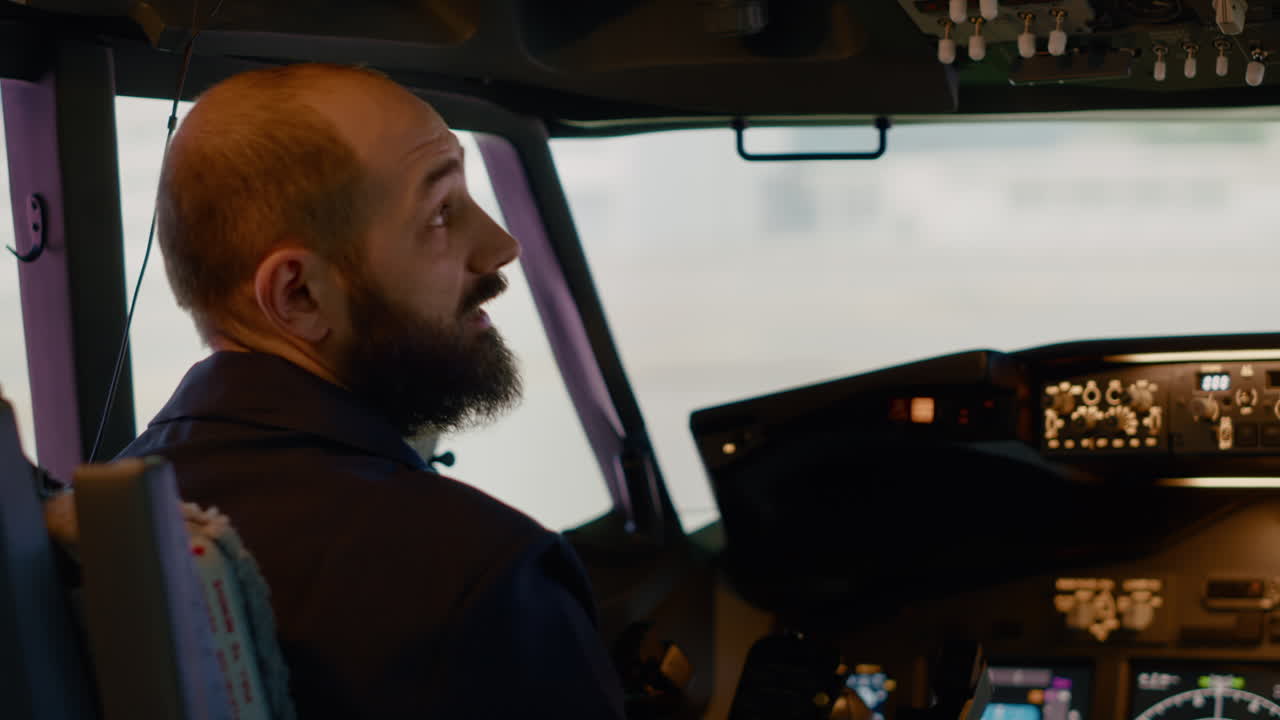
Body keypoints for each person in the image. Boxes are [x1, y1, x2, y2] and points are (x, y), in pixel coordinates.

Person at [118, 63, 626, 718]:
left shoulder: (112, 520)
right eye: (442, 211)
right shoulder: (476, 575)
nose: (500, 246)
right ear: (299, 295)